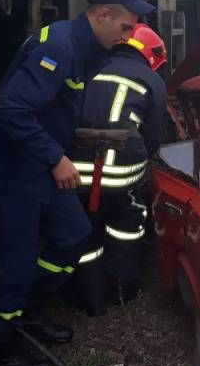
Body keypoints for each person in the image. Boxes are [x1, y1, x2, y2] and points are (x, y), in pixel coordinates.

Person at [0, 0, 154, 366]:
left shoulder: (87, 49)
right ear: (102, 15)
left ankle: (28, 312)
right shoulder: (59, 47)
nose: (128, 37)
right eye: (125, 27)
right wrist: (55, 158)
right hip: (12, 168)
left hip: (37, 163)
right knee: (14, 260)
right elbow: (12, 110)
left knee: (73, 234)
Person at [67, 23, 168, 314]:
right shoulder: (152, 80)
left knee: (86, 230)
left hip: (74, 169)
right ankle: (124, 290)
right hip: (121, 172)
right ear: (152, 55)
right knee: (126, 226)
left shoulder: (89, 68)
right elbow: (153, 136)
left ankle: (91, 299)